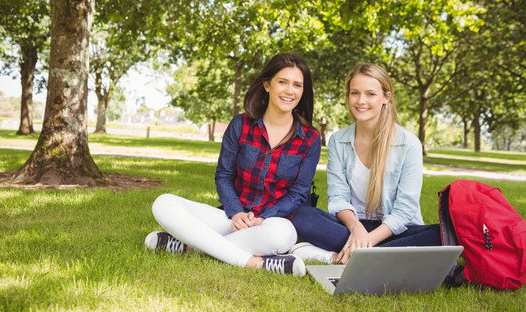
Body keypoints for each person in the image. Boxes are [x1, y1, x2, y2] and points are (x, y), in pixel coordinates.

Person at [145, 53, 321, 276]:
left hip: (271, 223)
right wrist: (237, 213)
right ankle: (256, 263)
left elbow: (298, 193)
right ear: (267, 85)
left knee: (282, 235)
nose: (290, 91)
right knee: (164, 203)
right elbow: (224, 175)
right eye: (282, 82)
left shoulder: (310, 138)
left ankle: (191, 247)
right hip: (231, 220)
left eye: (297, 85)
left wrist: (263, 217)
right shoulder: (240, 124)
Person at [289, 63, 441, 265]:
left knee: (440, 234)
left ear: (386, 97)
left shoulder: (409, 143)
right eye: (355, 93)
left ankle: (346, 255)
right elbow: (338, 198)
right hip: (351, 227)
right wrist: (356, 229)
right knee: (303, 216)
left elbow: (405, 210)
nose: (361, 101)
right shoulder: (338, 141)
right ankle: (381, 257)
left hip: (393, 230)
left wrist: (367, 241)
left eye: (370, 94)